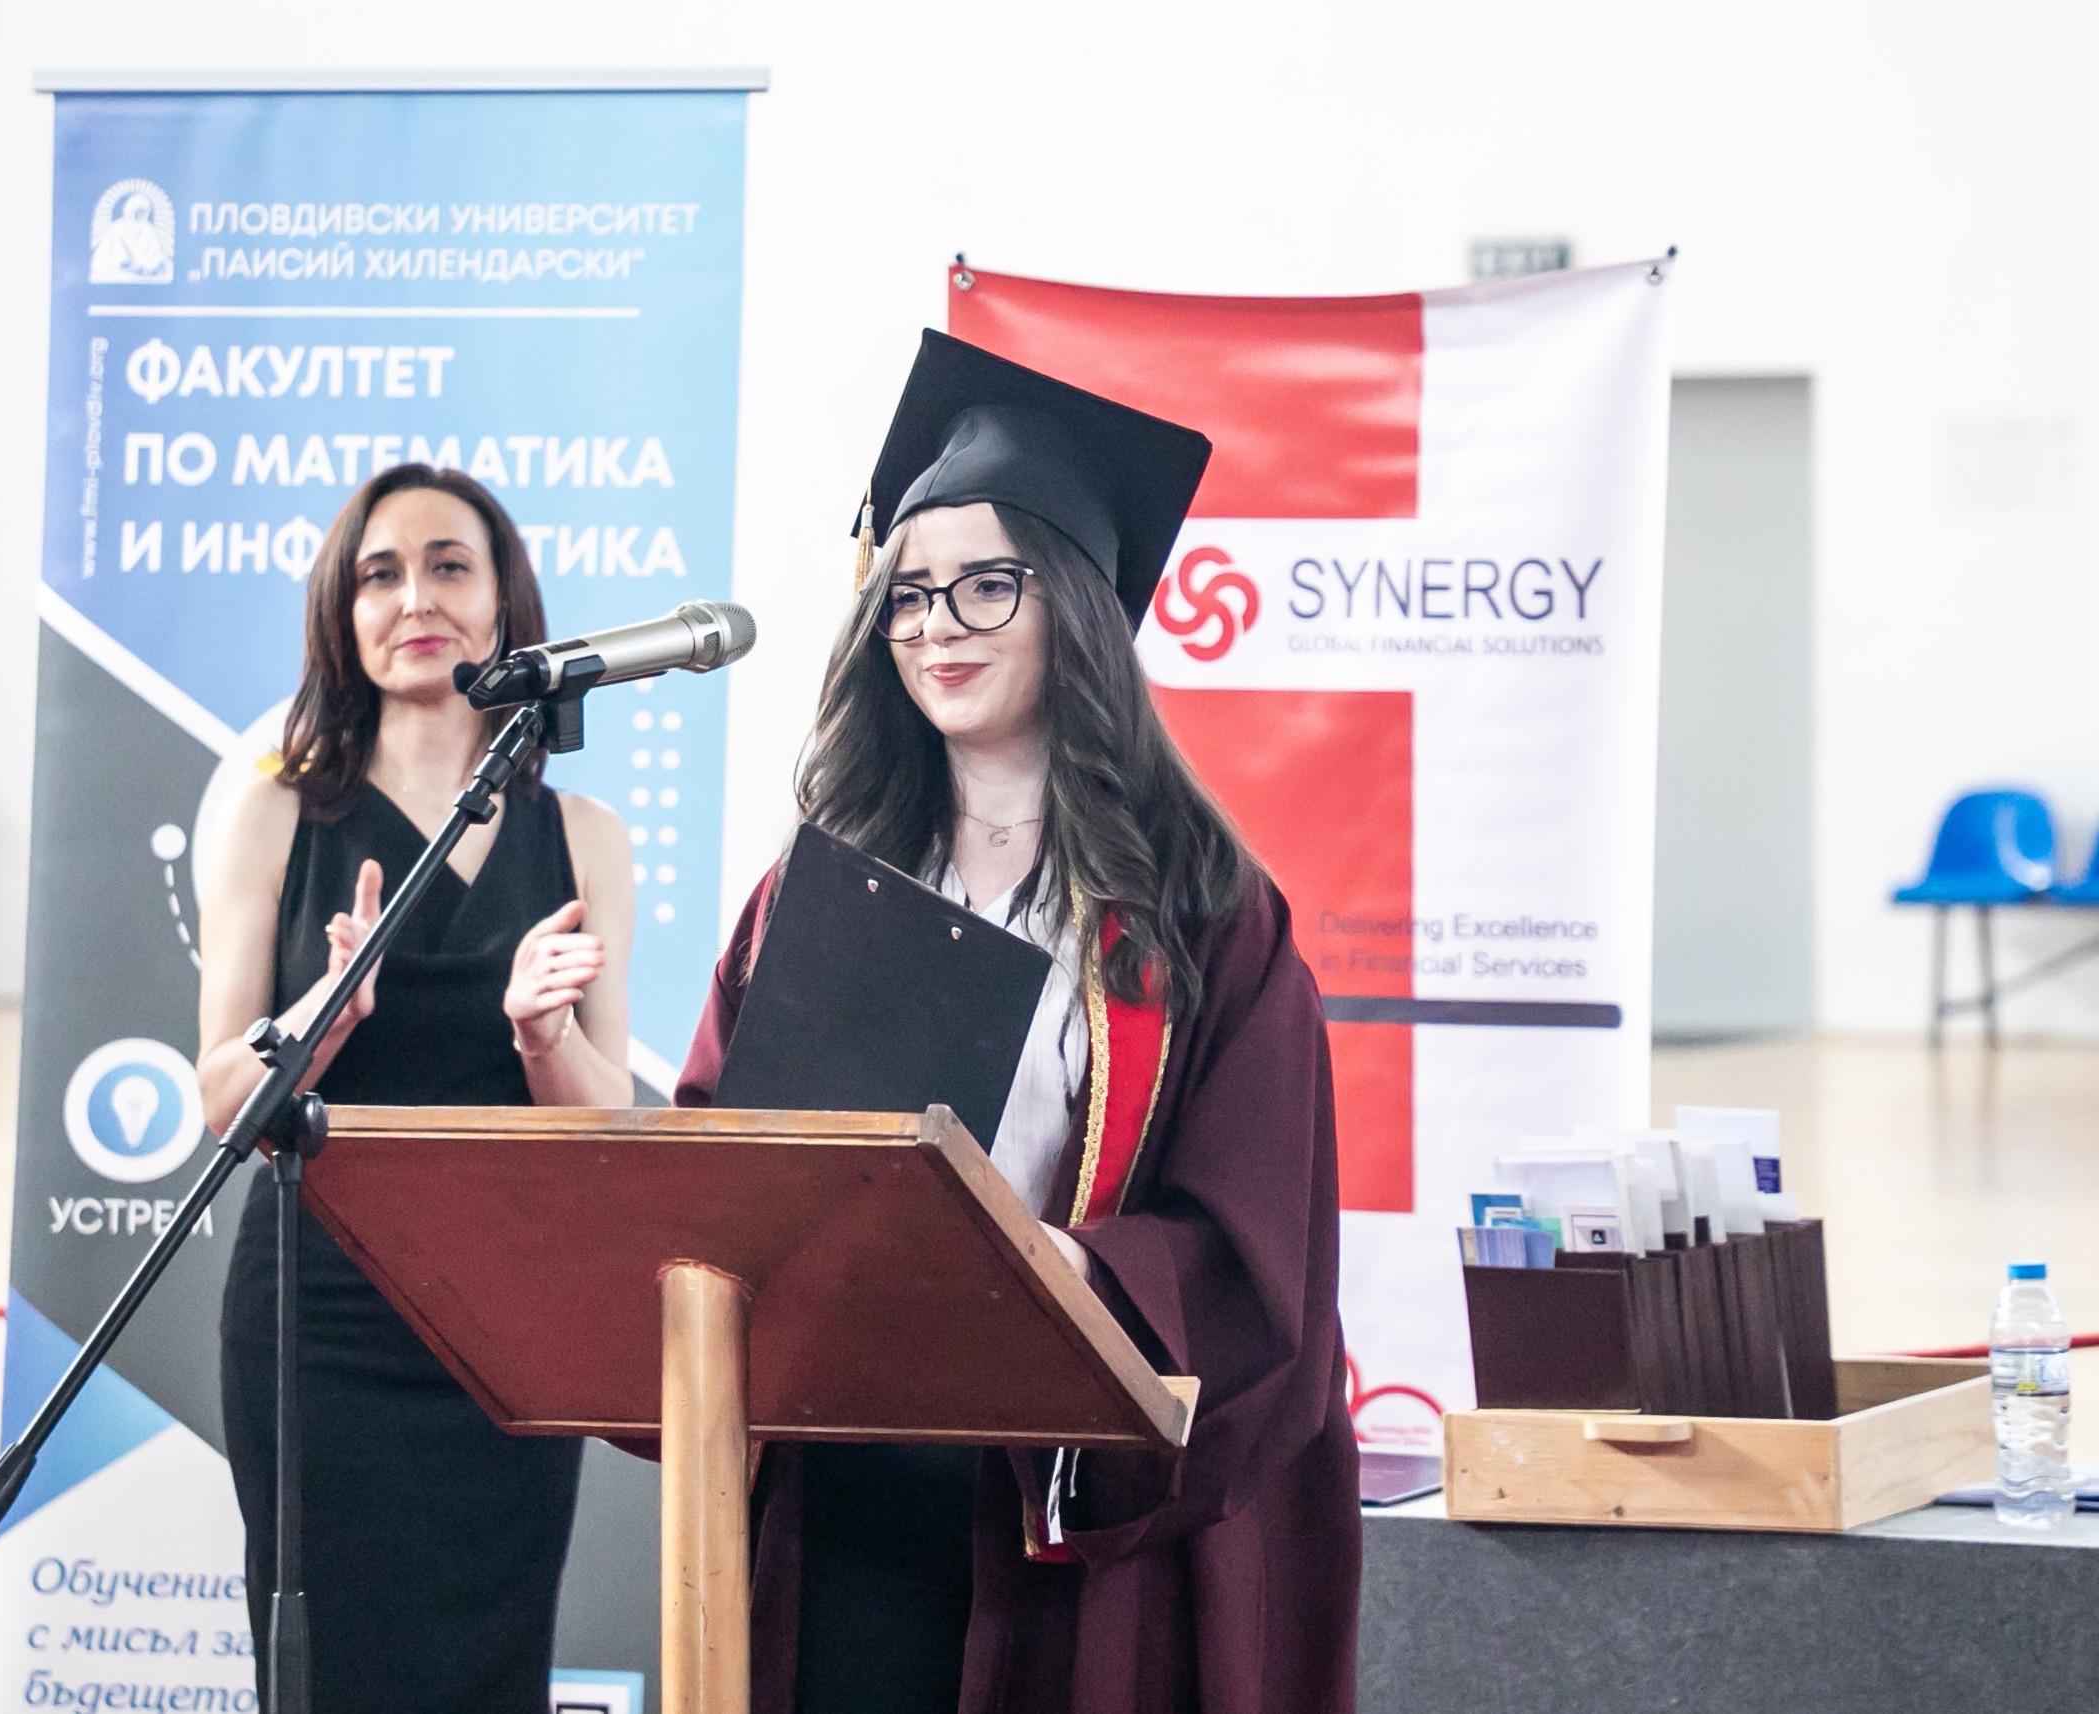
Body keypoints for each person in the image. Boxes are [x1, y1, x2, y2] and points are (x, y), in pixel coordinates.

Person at [673, 332, 1360, 1714]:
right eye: (910, 593)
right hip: (844, 1480)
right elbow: (720, 1146)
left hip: (1064, 1515)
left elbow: (1255, 1255)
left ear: (1075, 604)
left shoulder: (1204, 913)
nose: (938, 625)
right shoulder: (819, 887)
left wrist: (1058, 1262)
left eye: (987, 584)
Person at [196, 464, 637, 1713]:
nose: (415, 598)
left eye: (450, 565)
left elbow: (611, 1128)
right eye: (379, 575)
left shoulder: (586, 835)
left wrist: (544, 1039)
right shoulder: (275, 810)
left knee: (492, 1666)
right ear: (343, 614)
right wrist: (320, 1021)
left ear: (504, 601)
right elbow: (222, 1096)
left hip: (509, 1317)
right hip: (319, 1319)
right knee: (329, 1670)